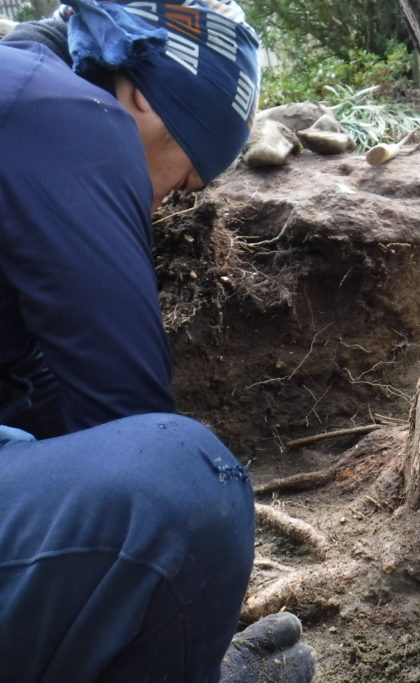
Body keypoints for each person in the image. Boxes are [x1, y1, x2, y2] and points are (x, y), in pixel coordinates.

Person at [0, 2, 315, 680]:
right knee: (185, 484)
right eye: (183, 181)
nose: (161, 206)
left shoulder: (18, 90)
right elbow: (129, 420)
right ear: (142, 97)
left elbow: (42, 390)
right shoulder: (69, 117)